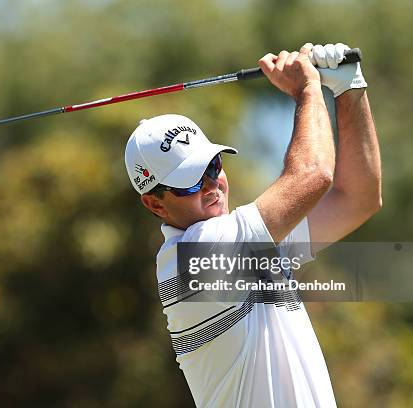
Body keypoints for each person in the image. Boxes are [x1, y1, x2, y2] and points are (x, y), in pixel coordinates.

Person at [124, 43, 381, 407]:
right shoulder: (194, 257)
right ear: (154, 204)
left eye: (212, 166)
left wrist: (349, 89)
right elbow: (313, 174)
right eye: (190, 180)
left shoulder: (244, 246)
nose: (212, 185)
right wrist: (308, 88)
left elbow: (359, 198)